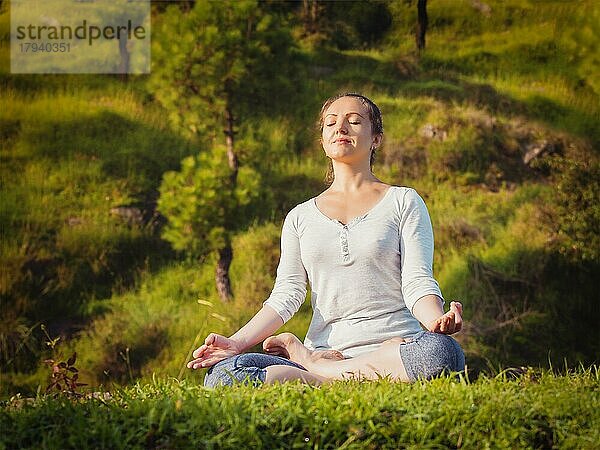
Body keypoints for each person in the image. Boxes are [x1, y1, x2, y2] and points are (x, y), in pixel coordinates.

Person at [187, 92, 465, 387]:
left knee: (440, 354)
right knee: (224, 375)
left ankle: (313, 372)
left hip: (396, 348)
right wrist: (236, 343)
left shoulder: (403, 201)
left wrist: (435, 320)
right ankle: (337, 373)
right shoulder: (300, 217)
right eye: (331, 123)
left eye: (354, 121)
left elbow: (417, 281)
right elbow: (286, 295)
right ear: (323, 140)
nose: (340, 128)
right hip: (327, 350)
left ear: (376, 139)